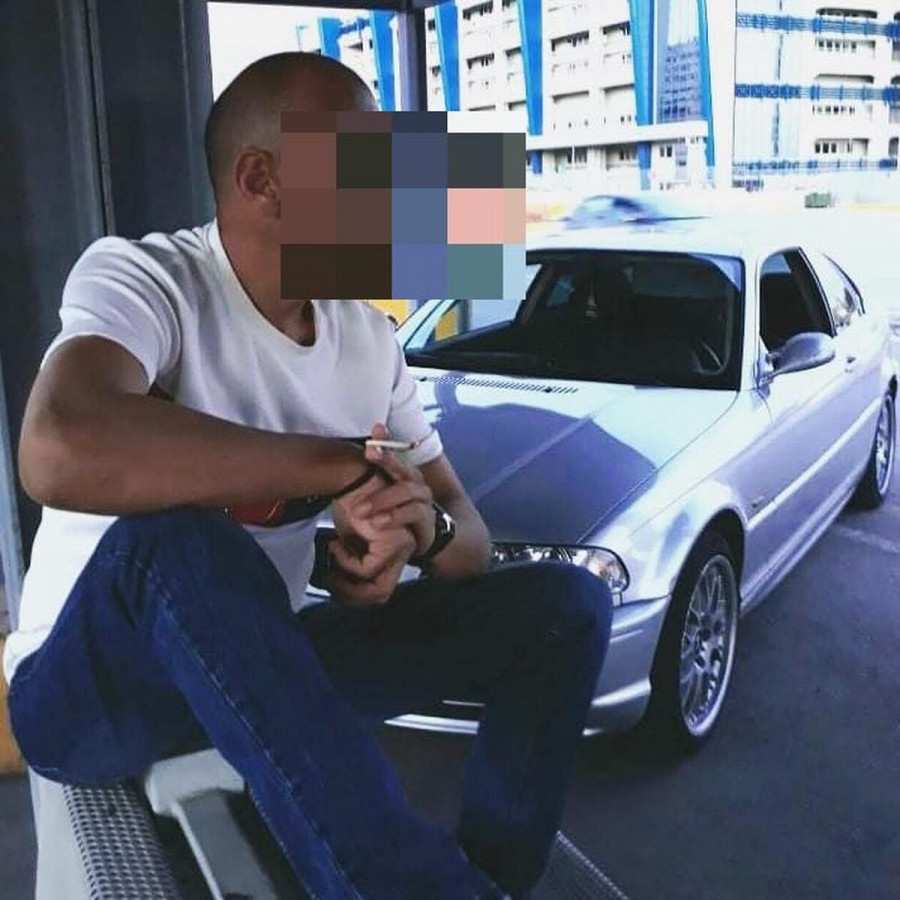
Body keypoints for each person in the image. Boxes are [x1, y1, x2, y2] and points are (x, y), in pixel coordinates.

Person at [4, 52, 612, 900]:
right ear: (263, 180)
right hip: (95, 691)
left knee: (566, 603)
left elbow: (468, 543)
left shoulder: (368, 336)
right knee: (177, 544)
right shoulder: (148, 278)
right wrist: (339, 466)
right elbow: (57, 445)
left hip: (264, 658)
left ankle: (492, 877)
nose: (401, 192)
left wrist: (418, 532)